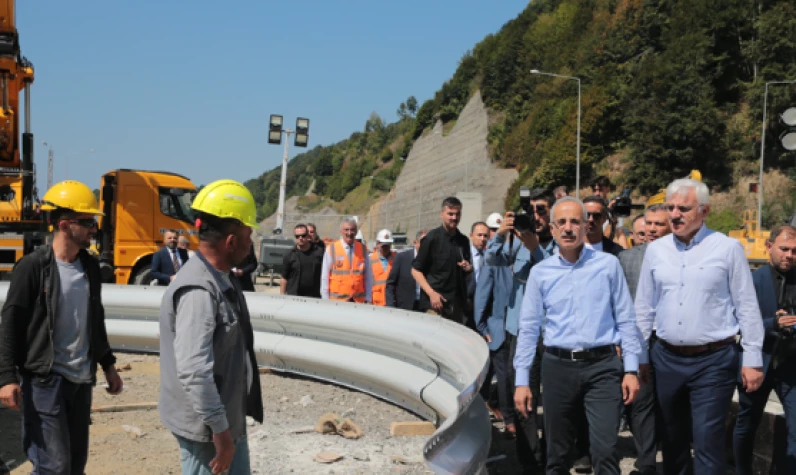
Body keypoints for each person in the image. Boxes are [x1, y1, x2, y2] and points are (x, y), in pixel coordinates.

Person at [635, 178, 765, 475]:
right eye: (671, 207)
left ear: (704, 211)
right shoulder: (656, 251)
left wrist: (754, 359)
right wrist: (638, 356)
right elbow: (644, 307)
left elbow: (747, 306)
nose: (675, 214)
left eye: (684, 208)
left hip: (713, 360)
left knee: (707, 440)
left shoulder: (728, 248)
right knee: (672, 439)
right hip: (666, 359)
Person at [0, 180, 123, 474]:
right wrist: (6, 377)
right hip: (45, 380)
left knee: (73, 466)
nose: (94, 228)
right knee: (53, 466)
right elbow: (10, 323)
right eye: (88, 222)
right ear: (66, 225)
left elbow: (95, 320)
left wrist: (108, 364)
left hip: (81, 381)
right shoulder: (33, 267)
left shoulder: (89, 268)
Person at [514, 196, 642, 475]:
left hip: (603, 367)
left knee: (606, 450)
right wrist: (522, 380)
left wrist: (631, 368)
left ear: (586, 226)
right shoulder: (540, 273)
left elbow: (626, 319)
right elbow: (529, 328)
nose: (569, 228)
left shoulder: (608, 265)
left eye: (575, 221)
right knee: (557, 453)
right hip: (558, 367)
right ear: (552, 227)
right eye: (562, 222)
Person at [159, 179, 263, 475]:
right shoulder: (199, 290)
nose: (251, 242)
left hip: (225, 423)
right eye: (248, 234)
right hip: (208, 433)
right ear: (231, 242)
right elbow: (194, 370)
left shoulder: (221, 277)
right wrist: (220, 432)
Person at [486, 189, 556, 472]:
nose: (536, 216)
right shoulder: (514, 243)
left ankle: (553, 455)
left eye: (542, 211)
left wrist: (535, 248)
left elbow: (555, 274)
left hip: (549, 332)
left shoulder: (557, 245)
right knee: (523, 398)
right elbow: (492, 259)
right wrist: (502, 233)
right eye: (533, 211)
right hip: (518, 329)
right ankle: (530, 458)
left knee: (552, 401)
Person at [734, 225, 796, 475]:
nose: (789, 255)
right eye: (784, 249)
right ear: (769, 247)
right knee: (747, 423)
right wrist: (773, 323)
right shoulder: (751, 280)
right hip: (757, 363)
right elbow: (736, 322)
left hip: (791, 367)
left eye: (794, 251)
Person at [618, 204, 671, 475]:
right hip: (639, 340)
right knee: (642, 404)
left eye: (658, 224)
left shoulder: (682, 258)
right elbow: (619, 303)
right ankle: (647, 461)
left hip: (672, 342)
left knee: (670, 402)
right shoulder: (627, 259)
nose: (651, 229)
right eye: (648, 224)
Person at [412, 197, 472, 323]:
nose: (454, 218)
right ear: (442, 214)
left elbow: (464, 274)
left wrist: (468, 269)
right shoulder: (431, 239)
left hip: (456, 307)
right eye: (450, 214)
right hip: (435, 306)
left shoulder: (463, 241)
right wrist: (431, 293)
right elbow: (416, 270)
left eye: (457, 214)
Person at [321, 218, 372, 303]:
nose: (349, 233)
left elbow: (368, 276)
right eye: (346, 230)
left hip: (358, 301)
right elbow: (325, 277)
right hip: (338, 302)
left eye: (352, 230)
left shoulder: (362, 249)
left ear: (356, 232)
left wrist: (368, 297)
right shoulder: (332, 249)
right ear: (341, 232)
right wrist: (325, 299)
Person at [386, 229, 427, 310]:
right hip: (405, 308)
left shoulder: (432, 260)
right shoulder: (402, 258)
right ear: (415, 243)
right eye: (423, 242)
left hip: (424, 307)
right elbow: (390, 284)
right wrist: (391, 307)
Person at [280, 223, 324, 298]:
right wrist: (282, 297)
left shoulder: (319, 252)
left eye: (303, 235)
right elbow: (284, 278)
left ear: (307, 235)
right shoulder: (289, 255)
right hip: (294, 297)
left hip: (314, 297)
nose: (300, 238)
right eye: (297, 236)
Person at [370, 229, 396, 306]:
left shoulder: (396, 258)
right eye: (384, 245)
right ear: (378, 244)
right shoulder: (370, 260)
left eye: (388, 245)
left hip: (392, 302)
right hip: (376, 303)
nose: (386, 247)